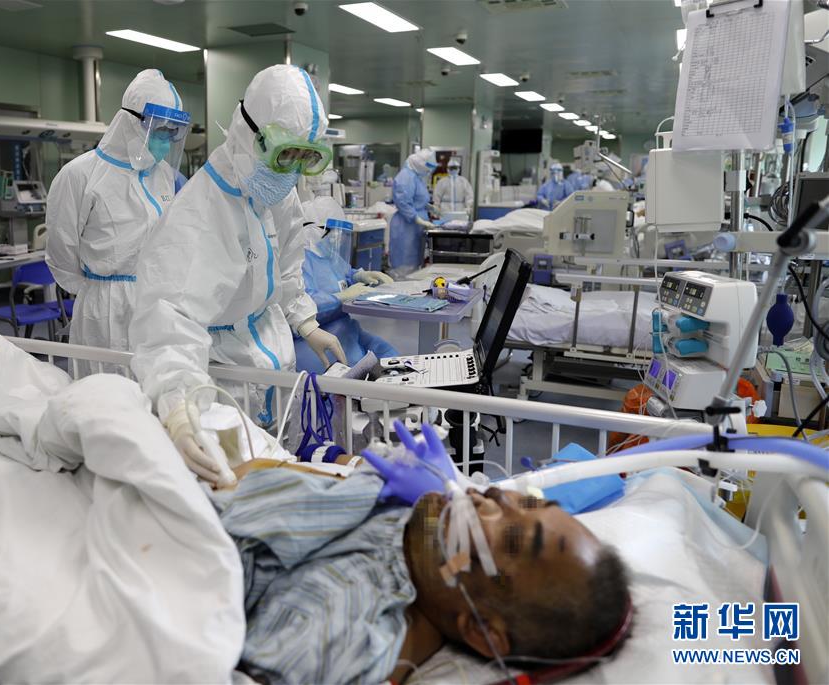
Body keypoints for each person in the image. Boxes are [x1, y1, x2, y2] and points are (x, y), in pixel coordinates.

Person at [216, 422, 632, 684]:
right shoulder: (423, 542)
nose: (495, 495)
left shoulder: (340, 615)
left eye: (513, 538)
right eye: (529, 502)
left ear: (480, 629)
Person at [129, 65, 346, 482]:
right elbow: (169, 322)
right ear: (251, 134)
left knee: (279, 473)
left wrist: (305, 321)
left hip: (271, 363)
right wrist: (180, 406)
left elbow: (287, 268)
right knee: (235, 484)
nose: (292, 172)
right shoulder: (198, 213)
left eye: (305, 158)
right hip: (218, 382)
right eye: (286, 155)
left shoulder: (276, 193)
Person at [46, 69, 189, 376]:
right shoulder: (80, 175)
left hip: (157, 301)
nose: (166, 142)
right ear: (131, 122)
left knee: (155, 389)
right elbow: (61, 251)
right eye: (160, 131)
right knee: (107, 392)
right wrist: (98, 290)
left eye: (172, 133)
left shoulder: (163, 174)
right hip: (105, 307)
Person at [295, 195, 398, 372]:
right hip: (317, 337)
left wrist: (359, 275)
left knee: (390, 355)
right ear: (313, 230)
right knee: (361, 371)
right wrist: (340, 297)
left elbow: (344, 273)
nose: (338, 237)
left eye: (339, 232)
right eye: (333, 231)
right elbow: (302, 304)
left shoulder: (328, 256)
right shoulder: (301, 263)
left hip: (347, 328)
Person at [389, 148, 436, 277]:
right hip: (406, 225)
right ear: (420, 164)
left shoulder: (416, 177)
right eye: (428, 167)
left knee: (415, 265)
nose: (429, 171)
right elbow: (403, 202)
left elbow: (417, 198)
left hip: (415, 226)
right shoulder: (405, 176)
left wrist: (428, 207)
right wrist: (417, 218)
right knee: (405, 266)